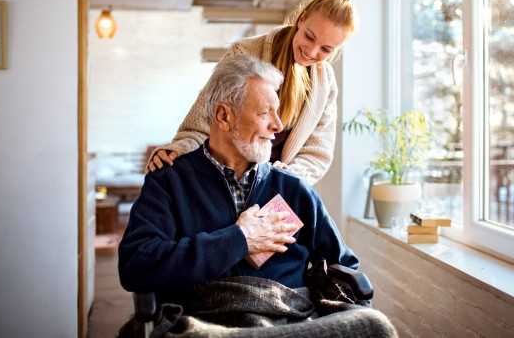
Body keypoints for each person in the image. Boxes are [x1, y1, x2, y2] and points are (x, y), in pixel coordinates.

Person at [118, 55, 396, 337]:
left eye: (277, 113)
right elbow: (135, 267)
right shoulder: (169, 182)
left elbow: (344, 265)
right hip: (207, 322)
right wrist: (239, 239)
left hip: (291, 322)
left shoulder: (293, 188)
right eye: (265, 113)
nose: (278, 125)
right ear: (224, 116)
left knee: (374, 325)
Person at [146, 0, 356, 185]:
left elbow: (318, 151)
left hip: (277, 188)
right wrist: (179, 149)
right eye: (309, 37)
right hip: (224, 177)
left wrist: (291, 175)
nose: (312, 51)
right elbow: (206, 116)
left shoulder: (325, 82)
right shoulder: (245, 51)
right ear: (301, 19)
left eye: (326, 49)